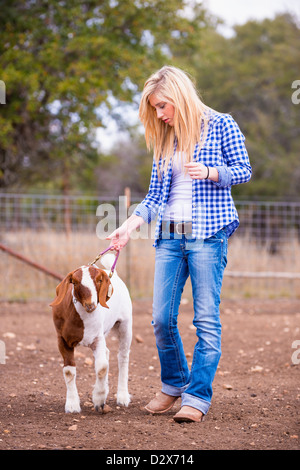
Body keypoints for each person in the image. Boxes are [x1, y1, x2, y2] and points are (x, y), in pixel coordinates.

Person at [106, 65, 252, 423]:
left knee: (205, 319)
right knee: (160, 318)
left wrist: (212, 172)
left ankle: (197, 397)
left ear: (180, 97)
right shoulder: (166, 137)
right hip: (170, 235)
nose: (159, 114)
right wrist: (129, 224)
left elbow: (244, 170)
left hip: (207, 235)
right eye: (155, 108)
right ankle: (174, 385)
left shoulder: (221, 124)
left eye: (162, 106)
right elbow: (156, 195)